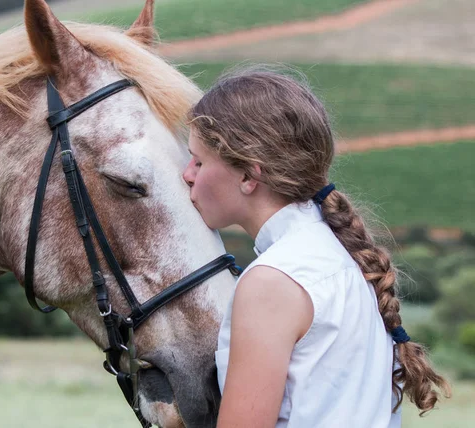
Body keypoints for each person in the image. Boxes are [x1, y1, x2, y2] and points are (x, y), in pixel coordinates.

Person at [182, 66, 450, 427]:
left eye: (199, 160)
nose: (187, 174)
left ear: (248, 175)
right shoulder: (344, 258)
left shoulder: (274, 281)